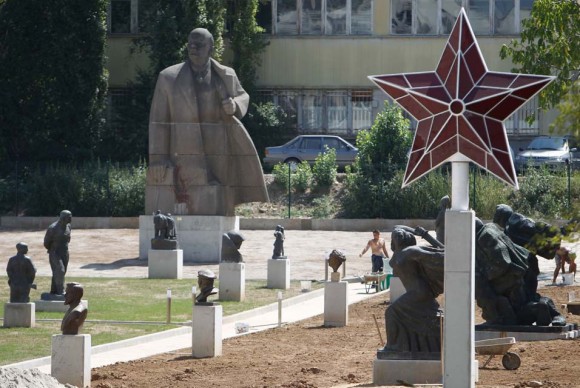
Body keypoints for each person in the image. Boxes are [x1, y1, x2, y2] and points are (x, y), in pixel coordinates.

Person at [146, 28, 268, 216]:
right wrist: (157, 159)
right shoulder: (168, 78)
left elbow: (243, 95)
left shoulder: (226, 75)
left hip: (219, 148)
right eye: (190, 43)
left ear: (211, 48)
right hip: (184, 150)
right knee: (187, 202)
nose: (193, 48)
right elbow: (158, 122)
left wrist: (234, 106)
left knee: (222, 201)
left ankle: (225, 236)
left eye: (199, 44)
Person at [44, 210, 72, 296]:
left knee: (60, 272)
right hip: (55, 252)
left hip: (65, 252)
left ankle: (54, 290)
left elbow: (68, 239)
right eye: (69, 217)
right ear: (63, 218)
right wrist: (52, 250)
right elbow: (46, 242)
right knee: (60, 270)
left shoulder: (68, 226)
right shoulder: (53, 228)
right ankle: (61, 291)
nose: (71, 218)